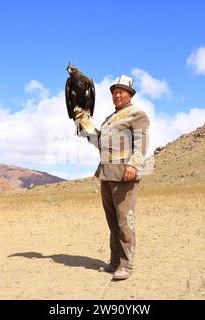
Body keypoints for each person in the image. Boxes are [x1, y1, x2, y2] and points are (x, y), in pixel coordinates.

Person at [74, 75, 150, 281]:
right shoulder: (109, 119)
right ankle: (115, 261)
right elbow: (99, 142)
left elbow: (141, 142)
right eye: (115, 91)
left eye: (122, 91)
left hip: (125, 173)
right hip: (106, 173)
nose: (117, 94)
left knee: (125, 221)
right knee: (113, 222)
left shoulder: (137, 114)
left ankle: (127, 265)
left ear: (130, 94)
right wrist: (84, 123)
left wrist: (134, 165)